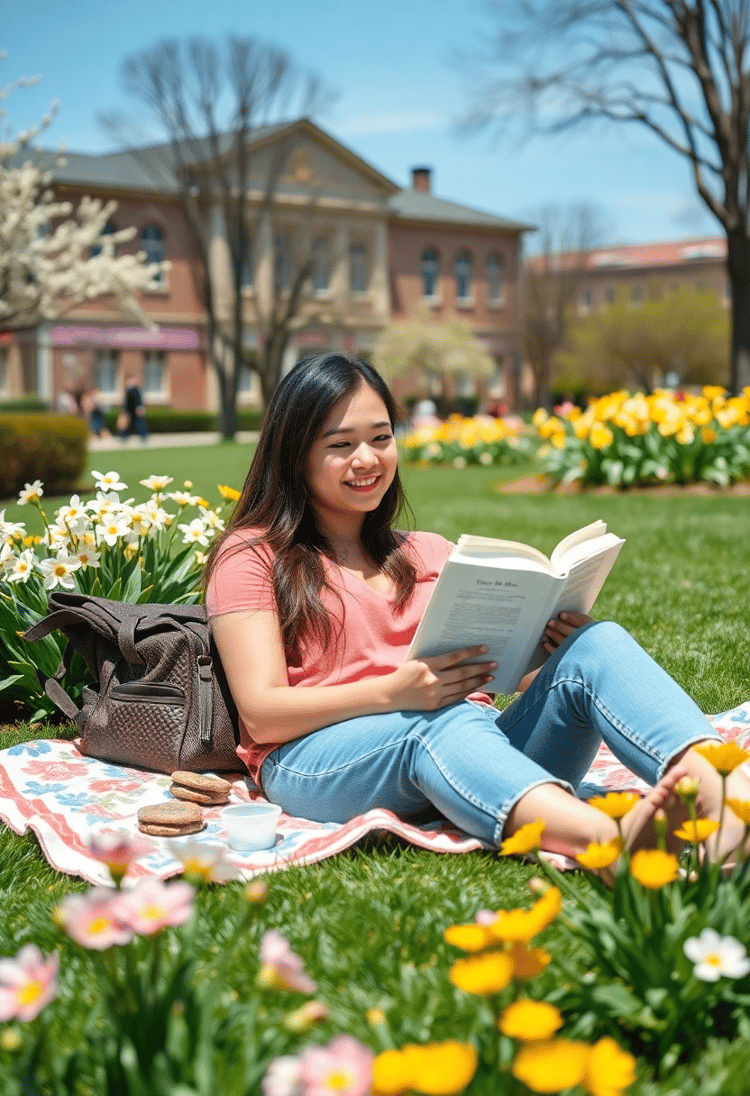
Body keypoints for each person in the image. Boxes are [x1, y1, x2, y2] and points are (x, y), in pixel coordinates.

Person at [204, 353, 748, 869]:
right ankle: (613, 844)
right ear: (294, 453)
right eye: (340, 444)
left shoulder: (428, 552)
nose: (367, 459)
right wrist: (393, 694)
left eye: (381, 438)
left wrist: (551, 648)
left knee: (596, 644)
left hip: (473, 746)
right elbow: (261, 711)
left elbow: (499, 672)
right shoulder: (252, 555)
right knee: (440, 719)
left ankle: (724, 799)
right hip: (314, 761)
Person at [119, 374, 148, 443]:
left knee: (138, 423)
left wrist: (139, 407)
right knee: (129, 424)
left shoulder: (134, 390)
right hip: (129, 410)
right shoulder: (129, 390)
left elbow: (138, 400)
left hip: (135, 410)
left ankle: (143, 436)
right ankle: (124, 436)